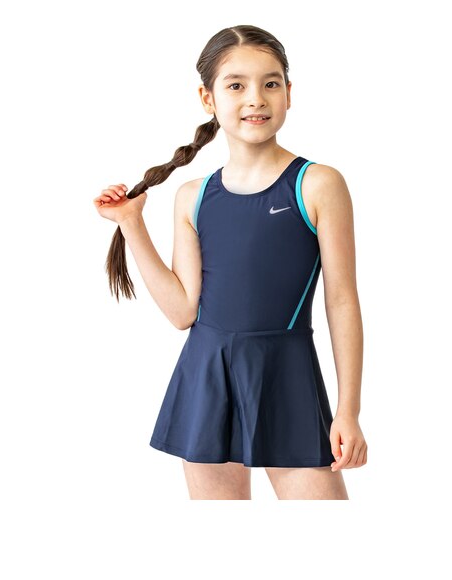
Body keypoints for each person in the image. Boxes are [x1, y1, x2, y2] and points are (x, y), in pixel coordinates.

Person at [93, 25, 367, 500]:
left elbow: (341, 300)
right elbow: (183, 312)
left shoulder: (318, 184)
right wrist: (132, 225)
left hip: (286, 375)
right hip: (206, 378)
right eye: (236, 85)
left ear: (289, 93)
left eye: (270, 83)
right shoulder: (193, 196)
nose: (255, 98)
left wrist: (349, 411)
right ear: (208, 98)